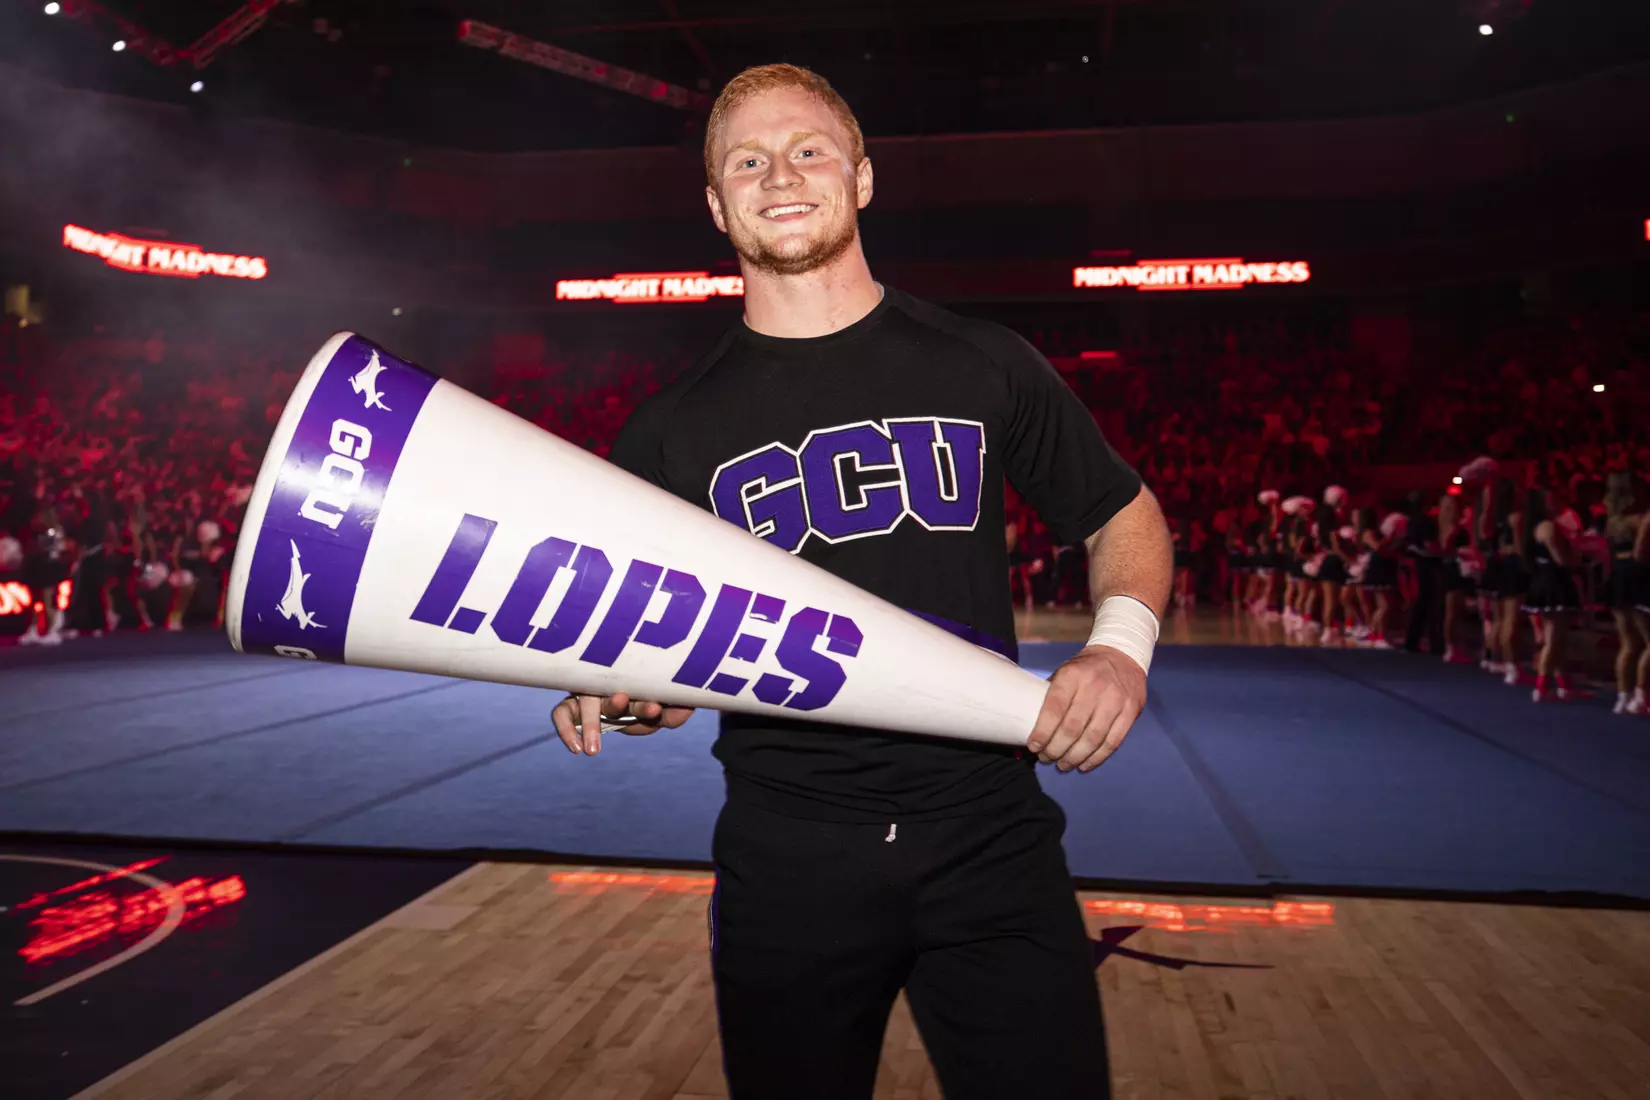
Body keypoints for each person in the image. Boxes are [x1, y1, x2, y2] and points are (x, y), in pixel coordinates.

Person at [549, 64, 1171, 1100]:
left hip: (990, 835)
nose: (779, 174)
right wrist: (619, 684)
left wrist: (1120, 647)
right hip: (787, 856)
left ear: (863, 178)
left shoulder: (984, 363)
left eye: (808, 149)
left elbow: (1122, 512)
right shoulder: (668, 429)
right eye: (746, 159)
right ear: (715, 202)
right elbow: (639, 637)